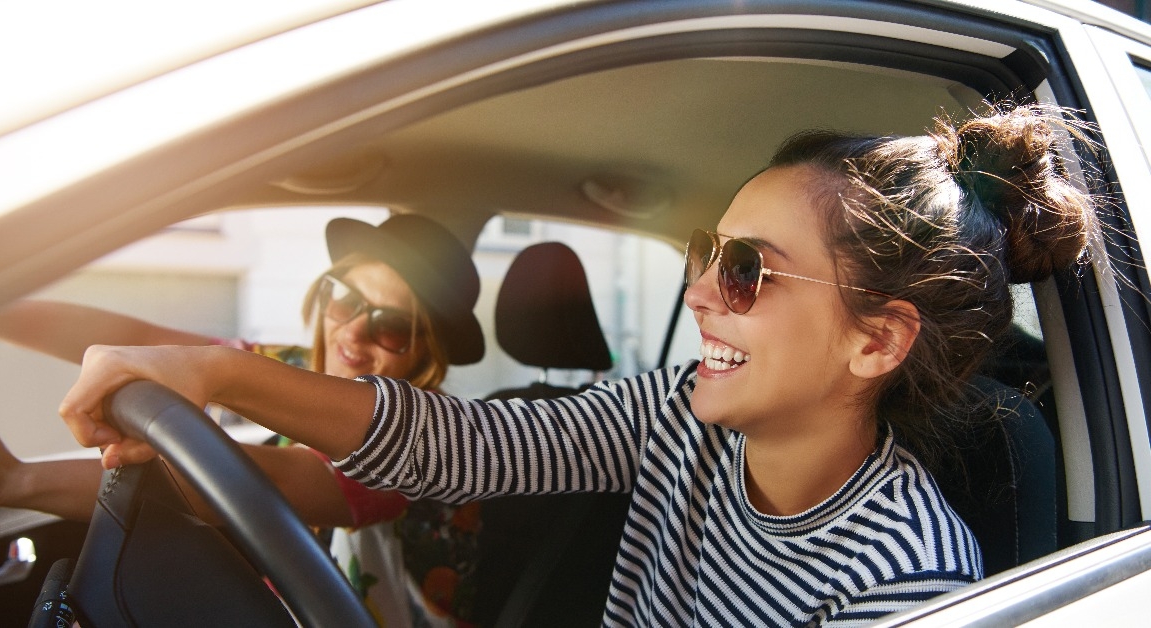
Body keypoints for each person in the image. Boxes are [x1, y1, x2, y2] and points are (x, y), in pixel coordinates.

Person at [57, 103, 1106, 625]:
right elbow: (463, 446)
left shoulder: (904, 577)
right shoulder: (675, 417)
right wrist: (210, 374)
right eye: (706, 253)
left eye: (747, 271)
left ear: (874, 340)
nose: (700, 292)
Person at [0, 214, 488, 627]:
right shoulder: (298, 367)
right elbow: (146, 346)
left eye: (390, 326)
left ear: (425, 356)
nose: (351, 334)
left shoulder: (425, 439)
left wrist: (19, 478)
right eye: (344, 299)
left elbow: (267, 481)